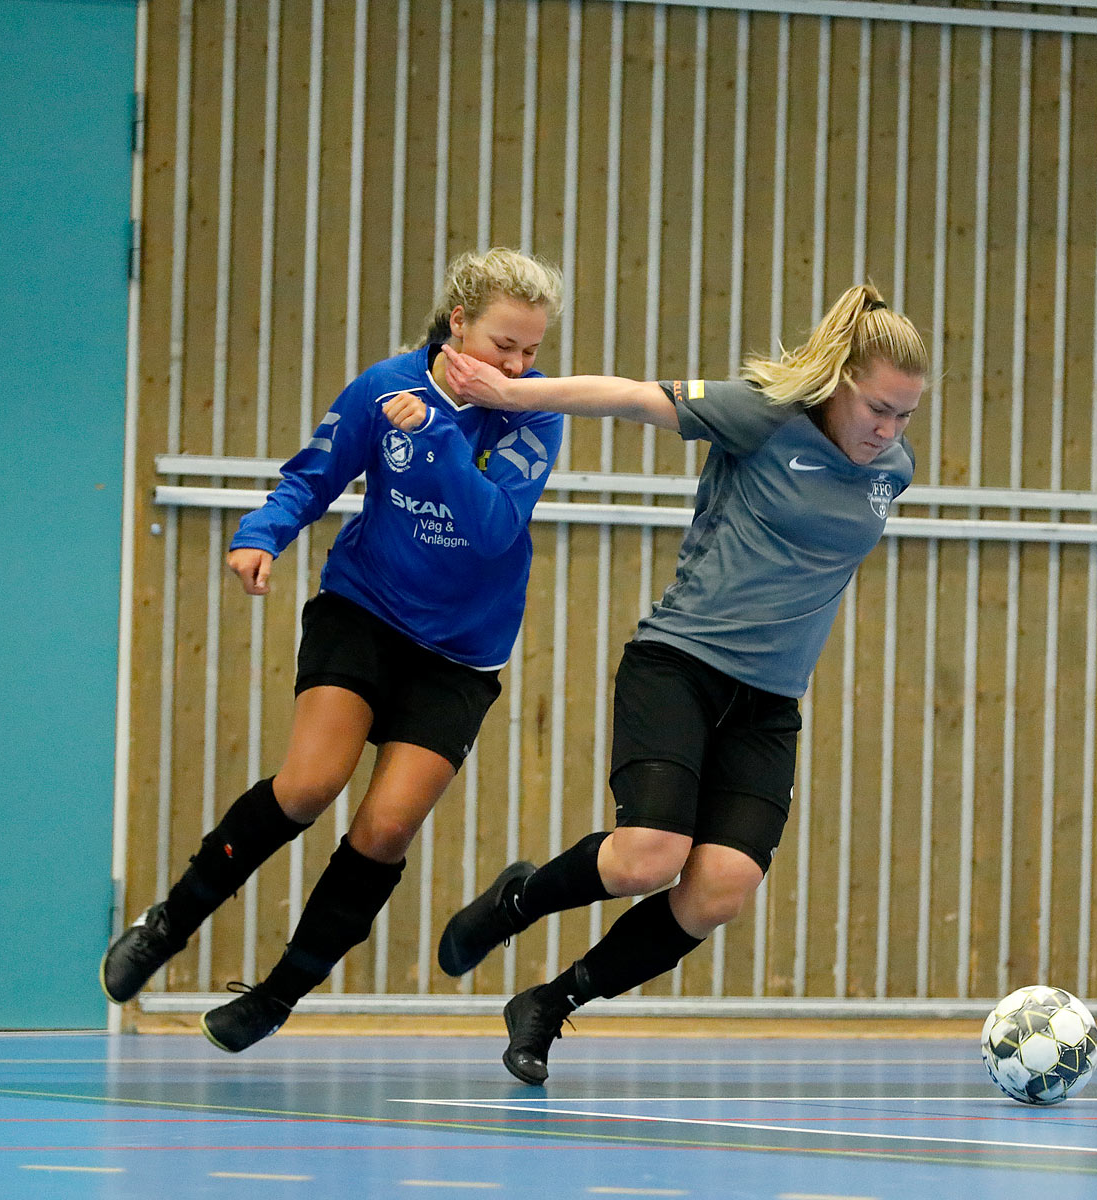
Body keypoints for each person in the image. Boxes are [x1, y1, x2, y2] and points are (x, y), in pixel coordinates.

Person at [434, 283, 925, 1084]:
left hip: (767, 704)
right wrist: (510, 390)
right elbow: (629, 396)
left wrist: (889, 442)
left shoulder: (890, 470)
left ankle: (548, 1004)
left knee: (718, 891)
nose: (888, 429)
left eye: (904, 415)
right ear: (838, 383)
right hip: (681, 667)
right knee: (644, 860)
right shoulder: (761, 416)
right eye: (877, 407)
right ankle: (516, 901)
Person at [101, 248, 565, 1052]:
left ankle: (278, 995)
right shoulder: (384, 386)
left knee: (384, 831)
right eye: (503, 346)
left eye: (532, 351)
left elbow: (494, 531)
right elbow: (313, 475)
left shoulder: (537, 413)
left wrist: (448, 434)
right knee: (310, 784)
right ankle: (170, 921)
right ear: (458, 325)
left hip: (460, 654)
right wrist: (263, 535)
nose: (518, 366)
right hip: (366, 609)